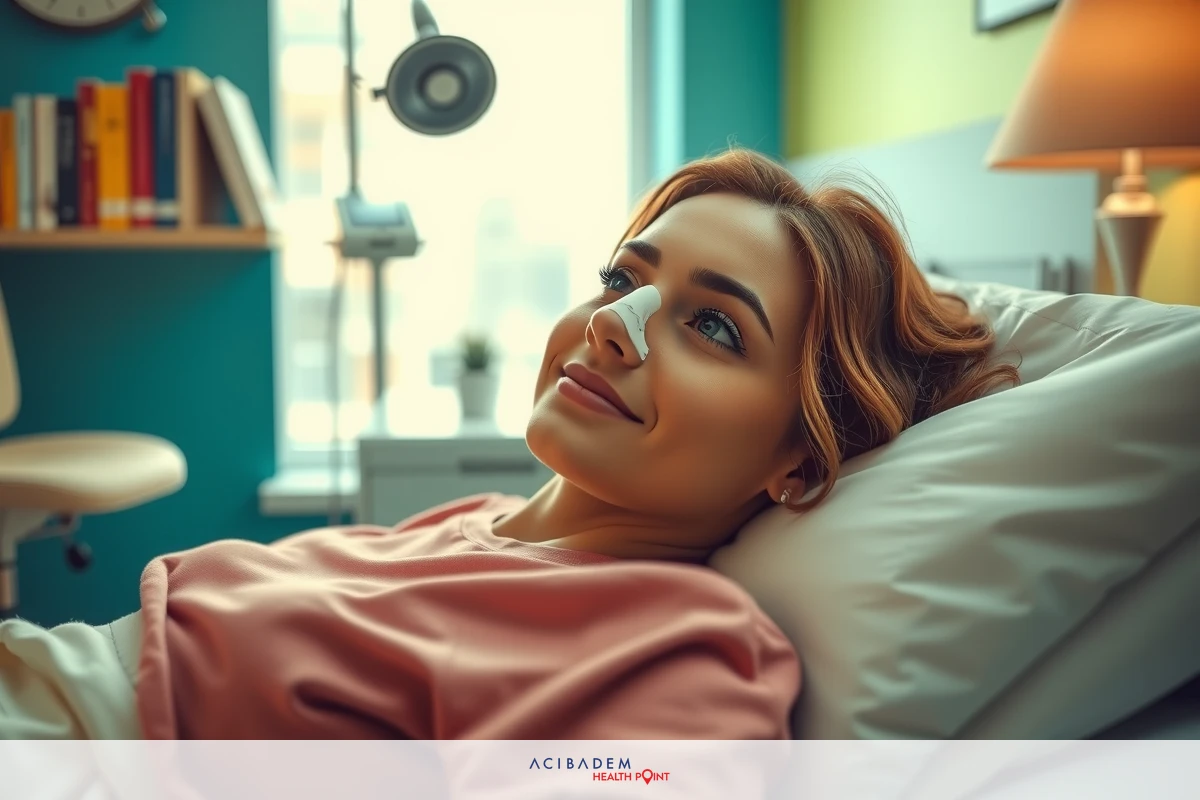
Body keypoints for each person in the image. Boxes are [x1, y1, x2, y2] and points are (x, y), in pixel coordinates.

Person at [0, 149, 1018, 741]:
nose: (614, 323)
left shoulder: (679, 647)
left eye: (714, 325)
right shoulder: (478, 526)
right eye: (626, 281)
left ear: (798, 459)